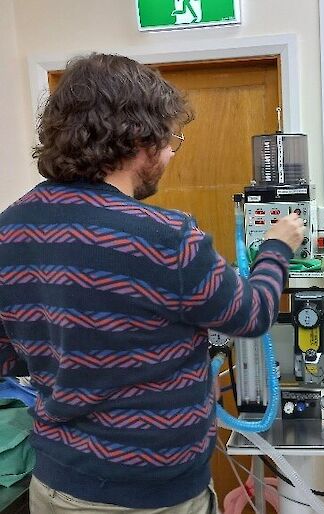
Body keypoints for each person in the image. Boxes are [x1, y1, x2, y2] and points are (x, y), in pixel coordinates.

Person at [0, 53, 305, 513]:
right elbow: (252, 314)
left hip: (57, 486)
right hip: (156, 498)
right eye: (171, 140)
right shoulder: (166, 237)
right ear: (140, 138)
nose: (170, 154)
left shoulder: (9, 231)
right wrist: (278, 246)